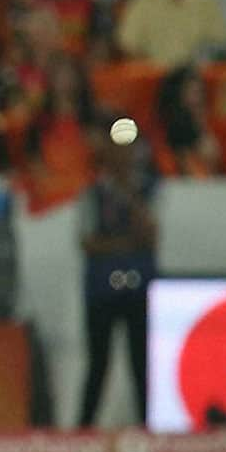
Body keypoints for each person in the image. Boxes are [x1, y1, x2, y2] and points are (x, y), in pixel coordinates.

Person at [78, 135, 157, 427]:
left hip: (139, 287)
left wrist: (129, 195)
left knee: (141, 363)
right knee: (99, 363)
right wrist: (128, 244)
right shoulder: (93, 193)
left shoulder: (148, 190)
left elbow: (150, 234)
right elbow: (87, 243)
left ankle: (149, 428)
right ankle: (84, 429)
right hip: (100, 289)